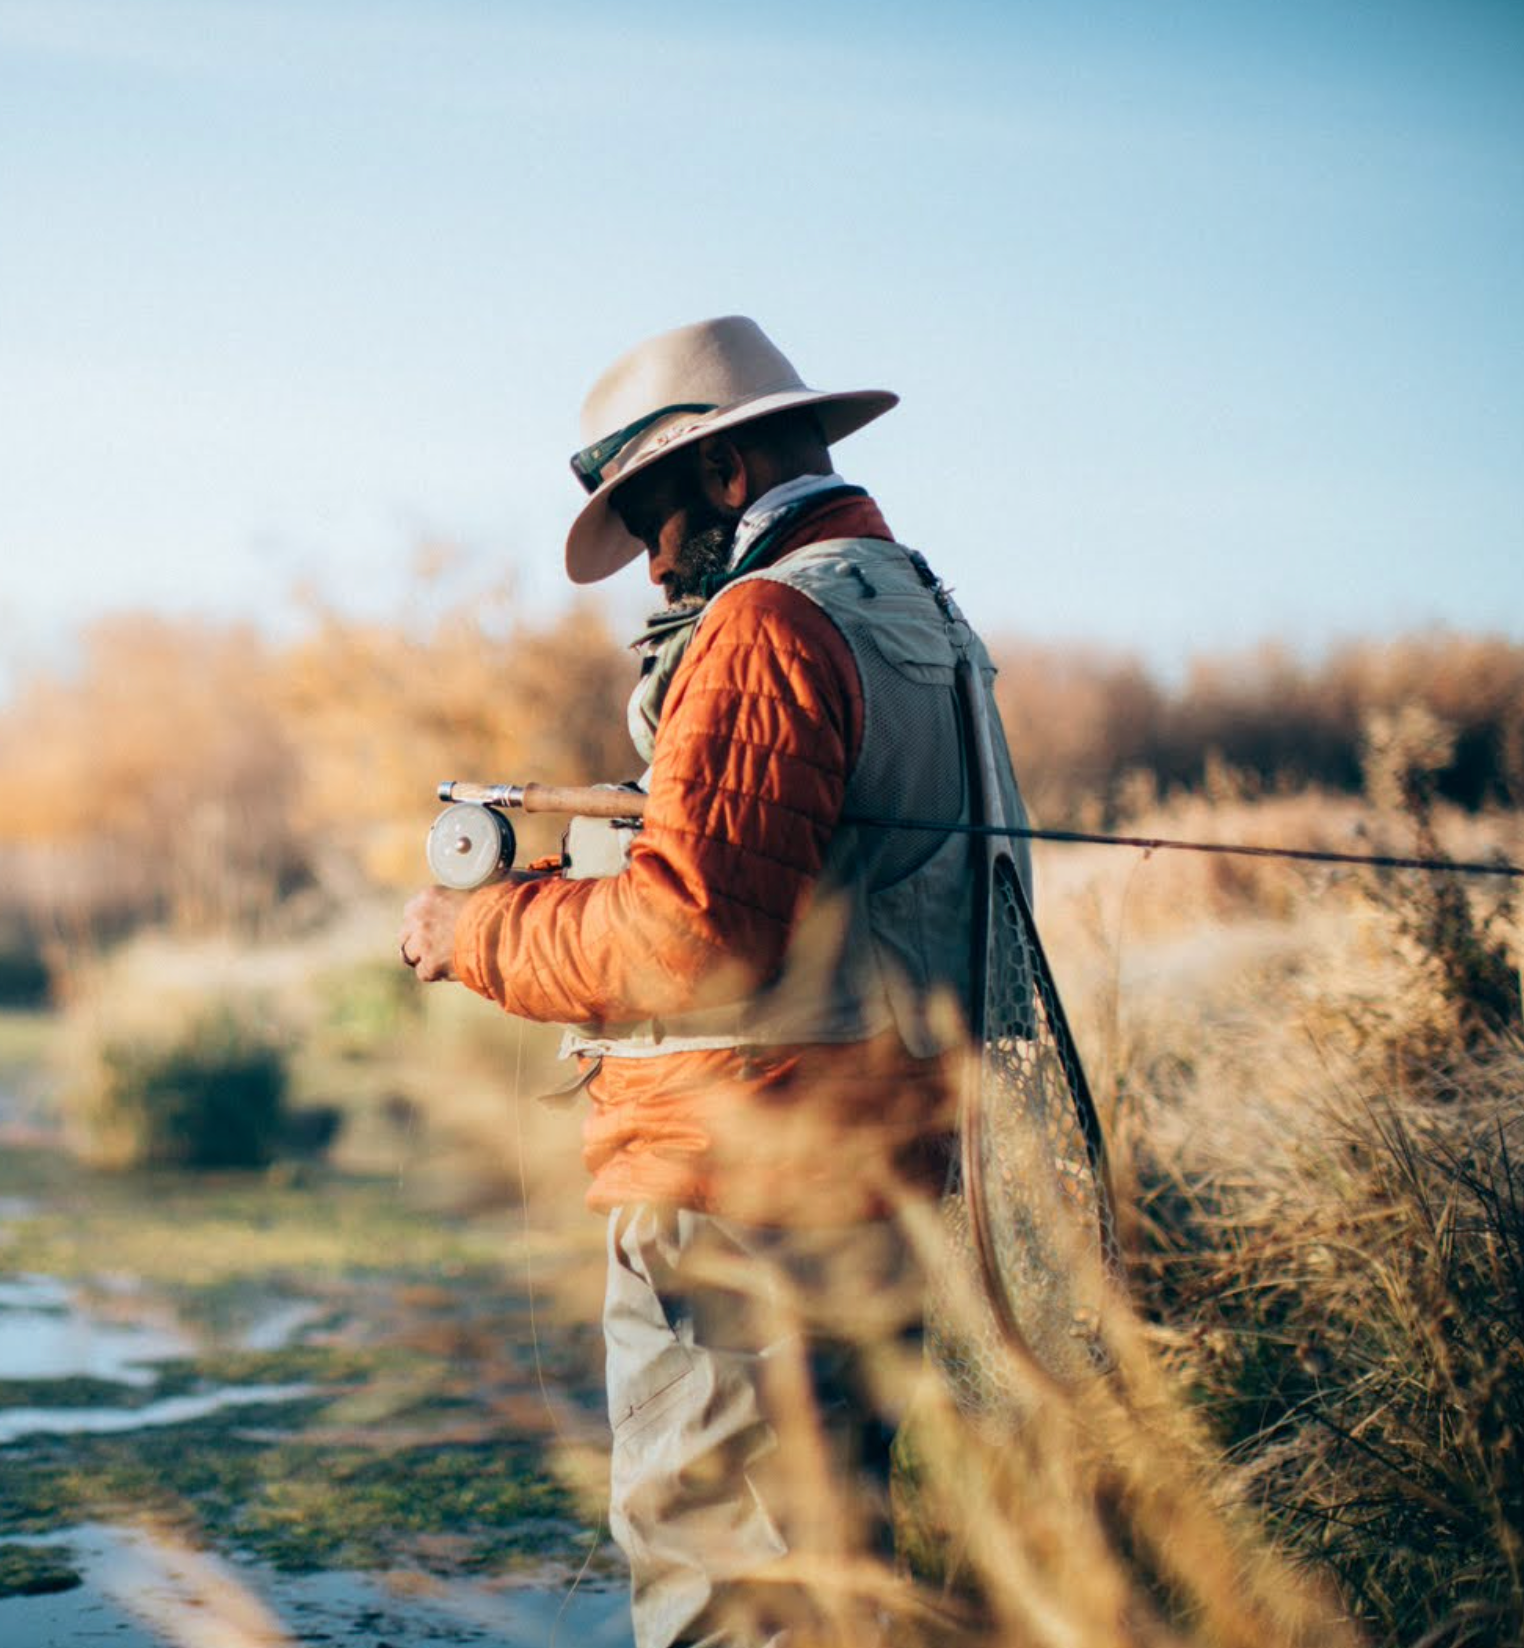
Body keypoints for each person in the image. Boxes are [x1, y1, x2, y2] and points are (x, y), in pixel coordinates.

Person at [400, 316, 1029, 1647]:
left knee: (729, 1586)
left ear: (726, 475)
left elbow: (689, 940)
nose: (649, 560)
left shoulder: (766, 623)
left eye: (651, 519)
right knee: (836, 1567)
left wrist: (477, 933)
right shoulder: (920, 605)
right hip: (880, 1170)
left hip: (741, 1185)